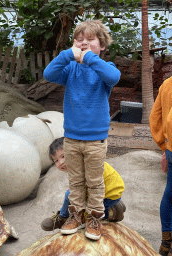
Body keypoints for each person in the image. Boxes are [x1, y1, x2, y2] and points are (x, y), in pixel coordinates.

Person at [43, 19, 121, 240]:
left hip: (95, 139)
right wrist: (69, 54)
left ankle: (95, 218)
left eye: (90, 39)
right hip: (71, 137)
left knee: (95, 182)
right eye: (79, 40)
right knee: (75, 181)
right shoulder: (70, 69)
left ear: (102, 45)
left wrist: (89, 58)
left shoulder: (106, 69)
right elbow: (49, 74)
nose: (83, 43)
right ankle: (76, 216)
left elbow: (114, 78)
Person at [41, 137, 126, 232]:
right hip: (103, 193)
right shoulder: (76, 166)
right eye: (56, 161)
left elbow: (90, 193)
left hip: (109, 195)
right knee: (71, 195)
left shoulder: (88, 166)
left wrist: (83, 213)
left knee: (86, 214)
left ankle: (112, 212)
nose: (60, 162)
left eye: (63, 156)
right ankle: (63, 216)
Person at [149, 76, 172, 256]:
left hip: (171, 149)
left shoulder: (167, 84)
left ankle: (166, 243)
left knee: (170, 195)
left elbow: (155, 116)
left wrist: (164, 146)